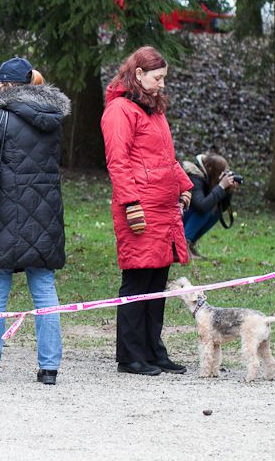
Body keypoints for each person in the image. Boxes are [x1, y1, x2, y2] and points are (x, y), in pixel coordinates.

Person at [0, 57, 69, 386]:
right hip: (45, 214)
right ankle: (49, 369)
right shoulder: (54, 119)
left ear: (7, 85)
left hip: (4, 215)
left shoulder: (0, 117)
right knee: (45, 291)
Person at [101, 46, 194, 377]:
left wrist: (183, 185)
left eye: (164, 78)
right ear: (138, 75)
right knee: (137, 283)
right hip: (139, 209)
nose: (162, 84)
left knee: (157, 283)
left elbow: (166, 157)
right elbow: (118, 162)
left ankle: (154, 351)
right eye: (158, 78)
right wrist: (130, 205)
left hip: (162, 209)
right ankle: (130, 355)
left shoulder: (154, 111)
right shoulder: (119, 112)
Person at [180, 153, 238, 257]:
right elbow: (201, 206)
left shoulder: (208, 177)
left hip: (184, 216)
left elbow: (222, 208)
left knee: (216, 212)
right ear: (211, 169)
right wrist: (220, 187)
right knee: (206, 208)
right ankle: (182, 246)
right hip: (176, 217)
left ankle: (190, 243)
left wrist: (228, 190)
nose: (223, 176)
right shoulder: (194, 176)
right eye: (221, 172)